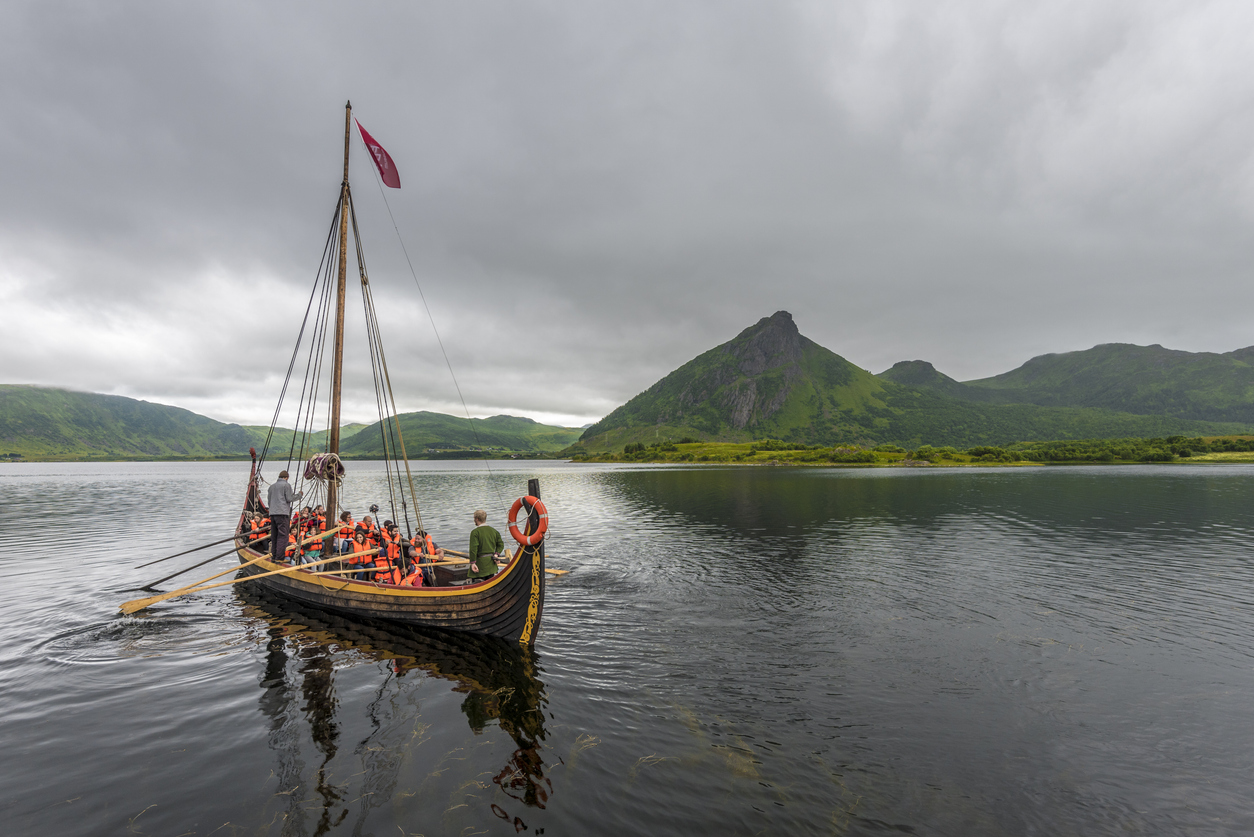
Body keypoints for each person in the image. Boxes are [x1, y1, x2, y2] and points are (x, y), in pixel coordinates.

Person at [266, 470, 303, 564]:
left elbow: (269, 501)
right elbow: (290, 498)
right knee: (283, 536)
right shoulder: (286, 485)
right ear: (286, 477)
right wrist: (299, 495)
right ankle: (279, 557)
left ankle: (274, 556)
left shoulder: (271, 487)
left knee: (275, 535)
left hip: (272, 514)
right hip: (282, 514)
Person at [466, 509, 504, 582]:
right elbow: (501, 545)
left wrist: (473, 563)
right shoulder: (494, 531)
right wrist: (496, 555)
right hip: (491, 565)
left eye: (474, 518)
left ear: (477, 519)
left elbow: (473, 549)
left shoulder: (475, 532)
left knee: (477, 584)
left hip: (480, 566)